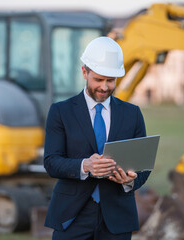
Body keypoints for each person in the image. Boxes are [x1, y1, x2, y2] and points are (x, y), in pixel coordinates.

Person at [43, 36, 151, 240]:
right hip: (72, 217)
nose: (104, 87)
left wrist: (130, 181)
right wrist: (85, 165)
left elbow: (143, 167)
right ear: (85, 72)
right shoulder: (60, 111)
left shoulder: (133, 113)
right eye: (99, 79)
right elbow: (51, 162)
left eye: (110, 80)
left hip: (117, 219)